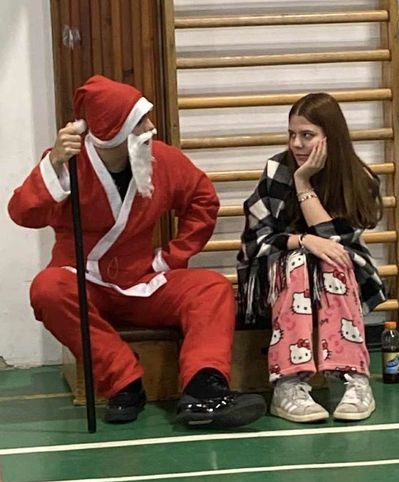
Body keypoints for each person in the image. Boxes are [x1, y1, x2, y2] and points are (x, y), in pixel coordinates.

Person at [8, 75, 266, 427]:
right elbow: (22, 214)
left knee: (212, 288)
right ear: (114, 132)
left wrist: (171, 257)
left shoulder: (162, 159)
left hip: (144, 280)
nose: (151, 128)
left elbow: (203, 199)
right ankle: (123, 383)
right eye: (140, 121)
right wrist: (53, 164)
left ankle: (204, 388)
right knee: (47, 289)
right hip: (84, 282)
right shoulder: (68, 163)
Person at [237, 93, 386, 423]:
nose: (297, 144)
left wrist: (303, 182)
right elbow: (254, 241)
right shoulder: (276, 170)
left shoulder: (358, 176)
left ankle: (353, 376)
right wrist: (303, 241)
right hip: (280, 269)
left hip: (341, 271)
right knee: (299, 262)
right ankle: (288, 383)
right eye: (292, 134)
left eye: (307, 135)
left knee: (332, 259)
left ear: (330, 136)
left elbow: (336, 241)